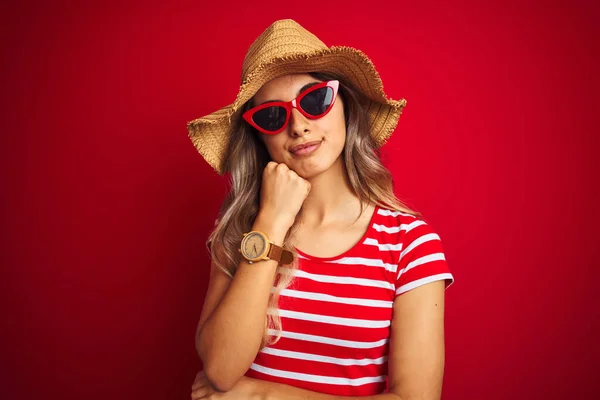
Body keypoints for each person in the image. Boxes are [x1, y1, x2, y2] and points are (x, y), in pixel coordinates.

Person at [187, 19, 455, 400]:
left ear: (344, 104)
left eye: (314, 100)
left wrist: (262, 396)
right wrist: (272, 220)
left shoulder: (409, 245)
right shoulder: (241, 232)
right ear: (259, 135)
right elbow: (220, 368)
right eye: (272, 116)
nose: (297, 126)